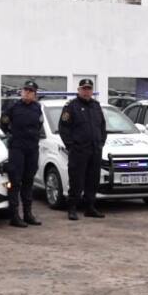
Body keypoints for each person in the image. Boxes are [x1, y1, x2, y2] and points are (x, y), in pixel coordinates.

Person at [58, 79, 107, 220]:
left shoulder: (96, 106)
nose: (87, 91)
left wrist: (101, 142)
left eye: (89, 89)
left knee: (93, 180)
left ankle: (90, 207)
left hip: (95, 150)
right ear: (79, 90)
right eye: (84, 89)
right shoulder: (71, 106)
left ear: (92, 91)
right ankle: (72, 208)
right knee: (76, 180)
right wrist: (71, 146)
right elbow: (63, 128)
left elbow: (102, 127)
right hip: (79, 151)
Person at [0, 80, 44, 227]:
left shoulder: (37, 108)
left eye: (30, 91)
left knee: (28, 181)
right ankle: (14, 215)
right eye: (25, 90)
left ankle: (28, 214)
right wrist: (12, 135)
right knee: (15, 181)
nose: (27, 93)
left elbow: (39, 125)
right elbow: (3, 124)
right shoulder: (13, 107)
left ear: (35, 94)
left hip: (32, 148)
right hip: (17, 148)